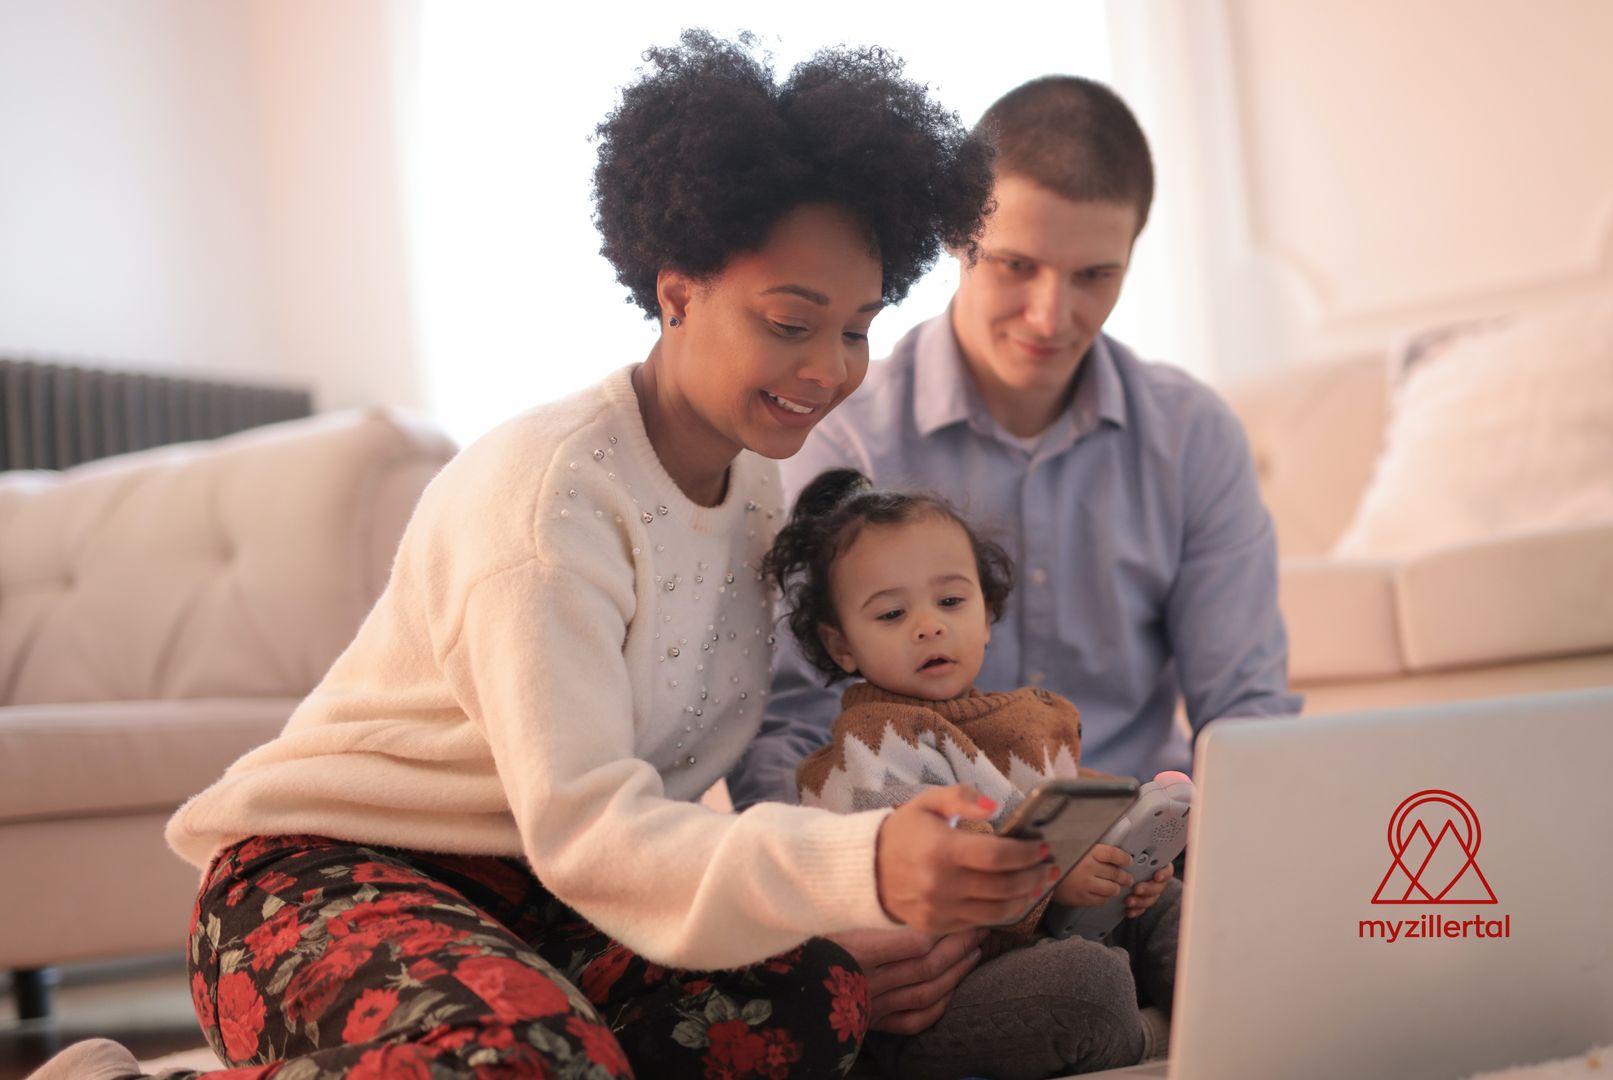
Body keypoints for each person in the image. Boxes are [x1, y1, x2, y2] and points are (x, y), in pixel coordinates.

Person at [32, 31, 1045, 1080]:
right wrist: (861, 865)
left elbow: (637, 831)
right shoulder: (551, 498)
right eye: (792, 321)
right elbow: (596, 834)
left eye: (857, 329)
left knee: (809, 997)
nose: (831, 369)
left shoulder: (752, 486)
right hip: (321, 877)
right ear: (678, 290)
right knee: (520, 1064)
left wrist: (838, 900)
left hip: (538, 896)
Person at [728, 72, 1304, 1038]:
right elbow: (782, 723)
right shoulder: (842, 435)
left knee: (1294, 961)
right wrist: (833, 912)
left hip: (1142, 865)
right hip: (940, 885)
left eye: (1094, 277)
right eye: (1015, 266)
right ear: (957, 241)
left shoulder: (1192, 435)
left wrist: (1256, 870)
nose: (1051, 316)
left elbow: (1244, 714)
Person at [766, 467, 1182, 1079]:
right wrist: (1055, 880)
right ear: (841, 646)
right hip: (945, 997)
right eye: (889, 615)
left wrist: (1133, 862)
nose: (928, 624)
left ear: (986, 615)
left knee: (1182, 908)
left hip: (1058, 936)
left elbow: (1081, 808)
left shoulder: (1031, 717)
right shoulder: (872, 745)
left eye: (951, 601)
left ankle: (1229, 1009)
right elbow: (938, 868)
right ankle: (1155, 1039)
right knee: (1086, 987)